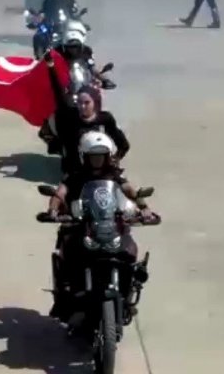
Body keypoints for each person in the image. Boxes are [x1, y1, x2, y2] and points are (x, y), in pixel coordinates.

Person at [42, 131, 156, 321]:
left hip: (110, 224)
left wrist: (144, 208)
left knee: (129, 250)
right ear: (85, 156)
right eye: (93, 156)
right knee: (68, 252)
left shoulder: (114, 175)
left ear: (107, 156)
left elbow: (130, 191)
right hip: (80, 225)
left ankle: (128, 294)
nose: (97, 160)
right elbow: (60, 193)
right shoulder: (75, 175)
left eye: (101, 156)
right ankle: (64, 298)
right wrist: (53, 209)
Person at [41, 51, 129, 175]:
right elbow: (58, 91)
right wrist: (51, 66)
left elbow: (123, 144)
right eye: (80, 103)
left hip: (101, 170)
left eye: (87, 103)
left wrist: (116, 158)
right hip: (75, 171)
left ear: (95, 102)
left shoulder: (106, 118)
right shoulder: (70, 116)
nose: (82, 106)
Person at [54, 21, 116, 90]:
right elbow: (48, 69)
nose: (73, 50)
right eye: (70, 47)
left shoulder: (87, 51)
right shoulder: (56, 52)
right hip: (61, 88)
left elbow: (92, 68)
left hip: (84, 86)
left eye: (76, 47)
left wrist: (104, 79)